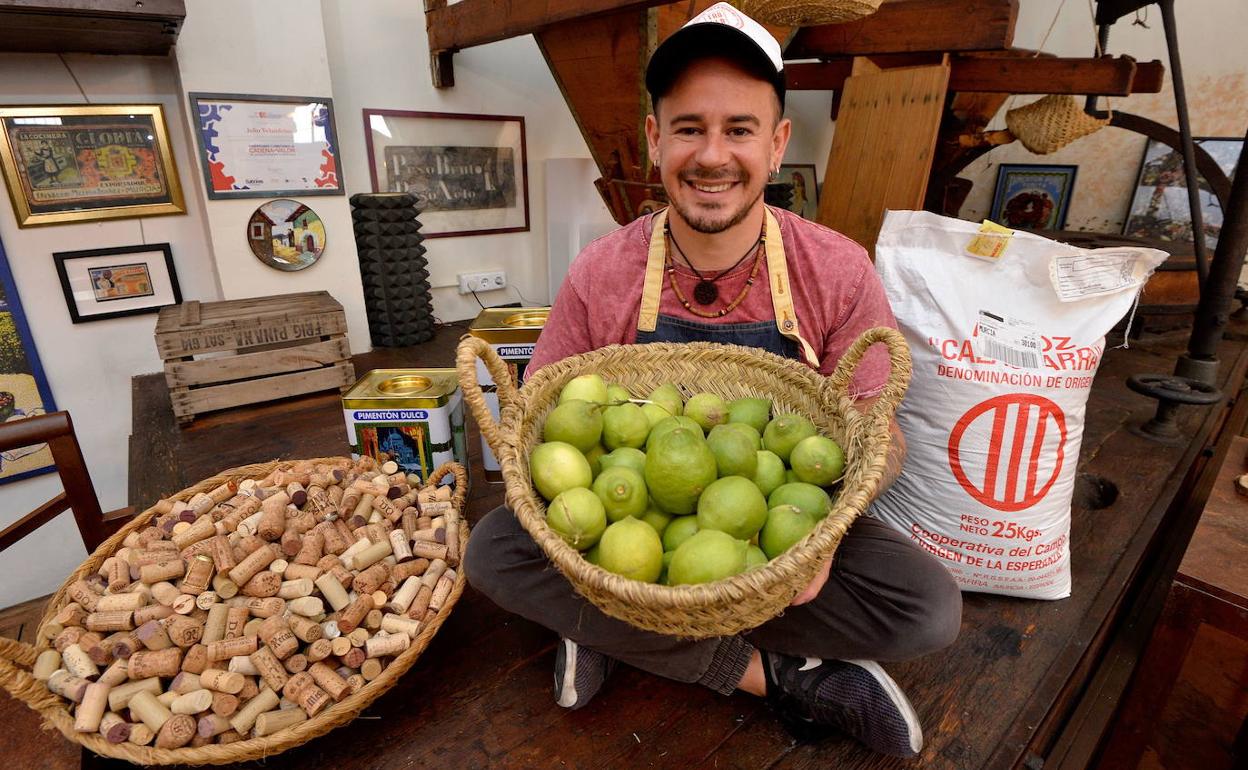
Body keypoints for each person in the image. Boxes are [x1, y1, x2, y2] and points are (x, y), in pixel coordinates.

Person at [464, 3, 961, 759]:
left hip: (781, 534)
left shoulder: (833, 267)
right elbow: (538, 420)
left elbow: (876, 428)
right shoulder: (603, 271)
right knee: (496, 549)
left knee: (927, 609)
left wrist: (824, 537)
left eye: (739, 129)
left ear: (777, 141)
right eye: (690, 128)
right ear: (656, 139)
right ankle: (779, 677)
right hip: (622, 547)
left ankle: (601, 631)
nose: (713, 155)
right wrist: (605, 571)